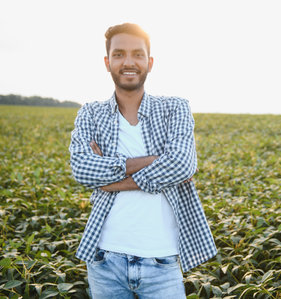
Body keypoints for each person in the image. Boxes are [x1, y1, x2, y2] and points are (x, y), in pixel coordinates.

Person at [69, 23, 217, 298]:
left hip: (161, 261)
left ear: (149, 63)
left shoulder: (175, 108)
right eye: (119, 54)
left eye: (137, 54)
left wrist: (111, 182)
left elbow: (183, 164)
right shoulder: (90, 113)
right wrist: (154, 161)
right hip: (104, 259)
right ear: (107, 62)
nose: (128, 62)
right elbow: (83, 170)